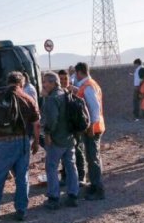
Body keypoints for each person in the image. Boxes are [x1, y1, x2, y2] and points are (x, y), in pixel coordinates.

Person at [0, 71, 40, 222]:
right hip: (22, 141)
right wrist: (36, 141)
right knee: (22, 177)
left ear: (8, 82)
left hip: (3, 142)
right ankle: (21, 210)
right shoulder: (27, 98)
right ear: (22, 83)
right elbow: (36, 123)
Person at [41, 71, 79, 209]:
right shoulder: (65, 94)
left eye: (45, 82)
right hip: (69, 138)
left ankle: (54, 198)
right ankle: (73, 195)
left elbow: (52, 119)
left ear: (52, 82)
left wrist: (47, 134)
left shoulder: (52, 99)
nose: (43, 84)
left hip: (57, 139)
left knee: (51, 167)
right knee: (70, 166)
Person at [74, 62, 105, 200]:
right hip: (95, 126)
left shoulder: (88, 87)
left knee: (93, 158)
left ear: (79, 72)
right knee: (93, 157)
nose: (75, 76)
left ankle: (98, 189)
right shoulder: (91, 84)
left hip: (93, 128)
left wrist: (91, 126)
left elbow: (94, 108)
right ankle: (94, 184)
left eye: (76, 73)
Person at [58, 69, 86, 186]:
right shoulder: (57, 93)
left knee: (78, 151)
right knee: (64, 154)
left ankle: (81, 176)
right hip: (63, 129)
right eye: (61, 79)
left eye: (65, 79)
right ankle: (65, 176)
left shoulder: (75, 91)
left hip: (75, 127)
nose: (63, 81)